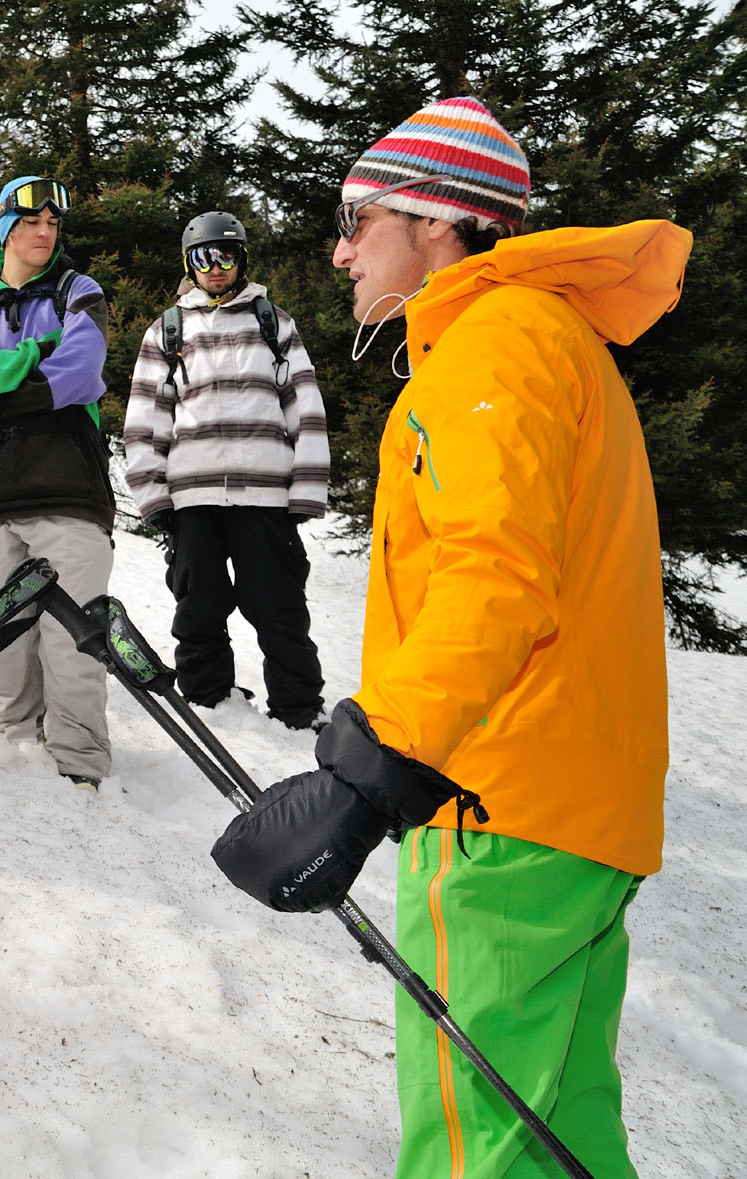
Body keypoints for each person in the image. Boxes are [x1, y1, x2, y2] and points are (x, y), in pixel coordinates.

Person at [210, 96, 689, 1177]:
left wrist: (370, 764)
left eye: (357, 221)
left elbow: (496, 579)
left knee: (473, 1145)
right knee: (557, 1132)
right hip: (573, 808)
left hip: (500, 804)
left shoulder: (492, 345)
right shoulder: (548, 338)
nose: (339, 252)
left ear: (434, 221)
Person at [0, 176, 114, 789]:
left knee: (74, 642)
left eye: (53, 224)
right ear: (7, 227)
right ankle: (13, 757)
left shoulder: (77, 290)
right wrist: (37, 354)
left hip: (70, 490)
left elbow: (82, 373)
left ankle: (81, 767)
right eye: (32, 222)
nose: (45, 233)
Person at [123, 210, 328, 730]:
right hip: (193, 497)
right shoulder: (169, 330)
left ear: (242, 260)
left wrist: (306, 488)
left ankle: (299, 709)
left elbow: (304, 407)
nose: (216, 267)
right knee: (199, 604)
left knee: (279, 605)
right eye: (204, 257)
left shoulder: (274, 324)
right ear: (188, 264)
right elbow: (145, 418)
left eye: (227, 255)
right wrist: (153, 495)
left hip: (266, 495)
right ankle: (208, 700)